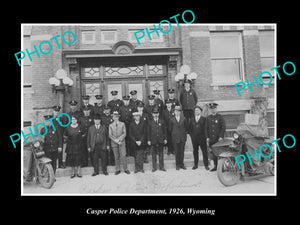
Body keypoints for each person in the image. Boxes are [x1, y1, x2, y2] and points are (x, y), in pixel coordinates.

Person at [206, 102, 226, 171]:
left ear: (216, 109)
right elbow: (206, 128)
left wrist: (221, 136)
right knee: (213, 153)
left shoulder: (220, 117)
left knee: (220, 154)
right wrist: (207, 137)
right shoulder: (208, 118)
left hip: (218, 139)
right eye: (211, 109)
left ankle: (221, 167)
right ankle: (215, 166)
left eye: (214, 108)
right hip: (212, 139)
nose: (213, 110)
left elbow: (223, 127)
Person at [109, 111, 130, 175]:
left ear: (118, 117)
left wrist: (119, 140)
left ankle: (125, 169)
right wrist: (116, 140)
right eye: (114, 117)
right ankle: (117, 169)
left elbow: (124, 133)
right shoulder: (111, 125)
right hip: (114, 143)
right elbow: (110, 135)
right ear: (112, 117)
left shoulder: (122, 124)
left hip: (121, 142)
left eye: (117, 117)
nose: (115, 118)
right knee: (116, 156)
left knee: (123, 155)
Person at [147, 107, 167, 172]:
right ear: (152, 114)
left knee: (161, 154)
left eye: (157, 113)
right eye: (154, 113)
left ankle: (162, 167)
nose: (155, 114)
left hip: (161, 140)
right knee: (154, 154)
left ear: (158, 114)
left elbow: (165, 131)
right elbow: (148, 132)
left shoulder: (162, 121)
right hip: (153, 140)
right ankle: (154, 167)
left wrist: (165, 139)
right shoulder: (150, 122)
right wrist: (149, 140)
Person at [190, 106, 209, 170]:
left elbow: (206, 129)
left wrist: (205, 137)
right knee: (195, 151)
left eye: (197, 110)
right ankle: (195, 165)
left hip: (202, 138)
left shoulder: (204, 119)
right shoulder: (192, 119)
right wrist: (192, 136)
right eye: (195, 110)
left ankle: (206, 165)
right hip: (194, 139)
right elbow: (190, 129)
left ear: (200, 111)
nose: (196, 112)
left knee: (204, 151)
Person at [170, 104, 188, 170]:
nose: (177, 112)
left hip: (182, 137)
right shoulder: (172, 119)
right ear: (174, 112)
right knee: (177, 152)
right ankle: (177, 165)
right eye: (176, 111)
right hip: (175, 138)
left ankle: (182, 164)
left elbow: (186, 128)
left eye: (178, 111)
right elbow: (170, 129)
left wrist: (184, 135)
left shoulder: (184, 119)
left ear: (180, 112)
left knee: (182, 152)